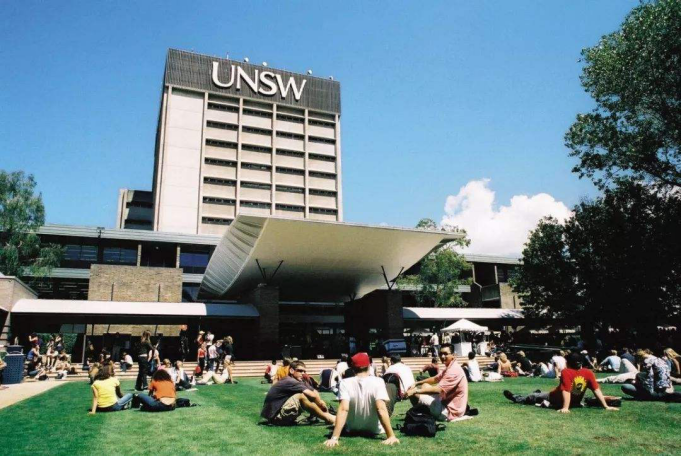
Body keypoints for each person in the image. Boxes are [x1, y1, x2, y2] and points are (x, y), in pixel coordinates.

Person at [324, 352, 399, 448]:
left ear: (352, 368)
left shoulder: (344, 383)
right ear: (369, 366)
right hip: (375, 429)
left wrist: (334, 438)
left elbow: (343, 409)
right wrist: (391, 436)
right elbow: (381, 409)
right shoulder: (378, 381)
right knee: (391, 387)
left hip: (352, 429)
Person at [503, 353, 620, 412]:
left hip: (554, 398)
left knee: (532, 396)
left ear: (568, 363)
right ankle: (537, 393)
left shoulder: (566, 372)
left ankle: (515, 398)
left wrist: (565, 407)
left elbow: (566, 391)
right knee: (538, 395)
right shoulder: (588, 372)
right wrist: (605, 406)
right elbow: (596, 390)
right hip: (575, 400)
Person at [407, 344, 471, 422]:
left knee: (414, 395)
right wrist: (417, 383)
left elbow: (439, 390)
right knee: (425, 385)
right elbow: (435, 378)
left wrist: (416, 391)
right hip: (446, 402)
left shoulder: (453, 370)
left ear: (453, 355)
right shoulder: (450, 366)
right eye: (441, 354)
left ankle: (421, 413)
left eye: (445, 354)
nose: (442, 356)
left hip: (449, 411)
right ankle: (422, 410)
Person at [260, 361, 335, 426]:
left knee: (307, 395)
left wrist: (320, 402)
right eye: (300, 371)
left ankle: (324, 416)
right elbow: (313, 396)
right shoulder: (290, 381)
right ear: (291, 371)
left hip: (277, 414)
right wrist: (321, 405)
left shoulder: (297, 381)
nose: (303, 373)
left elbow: (314, 392)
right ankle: (328, 418)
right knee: (301, 396)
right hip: (274, 418)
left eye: (304, 371)